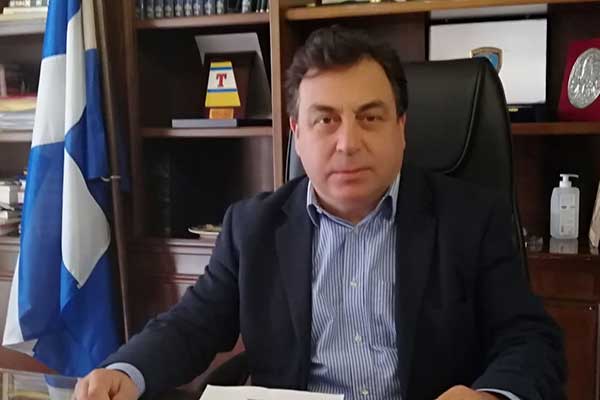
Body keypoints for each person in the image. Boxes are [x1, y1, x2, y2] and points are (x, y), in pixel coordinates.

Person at [74, 26, 565, 400]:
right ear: (297, 134)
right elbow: (191, 325)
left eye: (370, 117)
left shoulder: (472, 219)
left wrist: (490, 395)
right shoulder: (252, 227)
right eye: (325, 119)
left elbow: (528, 340)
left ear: (401, 127)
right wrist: (125, 372)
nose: (347, 143)